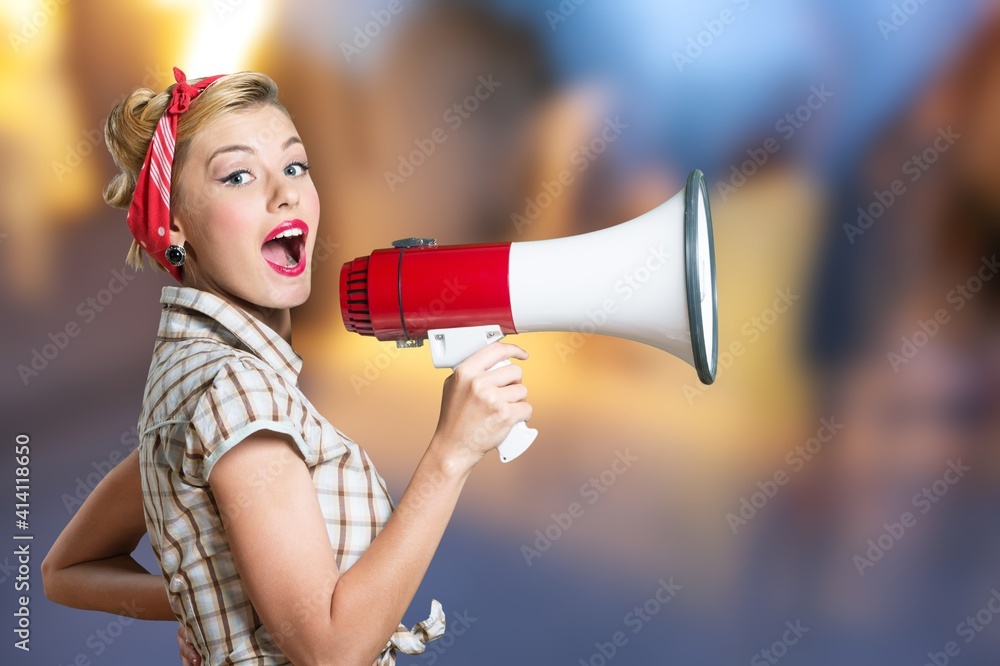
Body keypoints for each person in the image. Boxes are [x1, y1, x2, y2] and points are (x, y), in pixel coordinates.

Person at [42, 67, 532, 666]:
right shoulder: (238, 392)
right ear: (174, 224)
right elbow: (330, 650)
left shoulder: (191, 379)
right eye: (239, 174)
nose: (285, 191)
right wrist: (451, 454)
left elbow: (66, 571)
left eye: (295, 166)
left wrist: (216, 602)